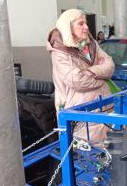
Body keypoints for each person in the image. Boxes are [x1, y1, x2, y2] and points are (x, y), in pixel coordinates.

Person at [46, 9, 115, 146]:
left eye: (86, 23)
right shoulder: (59, 52)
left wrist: (92, 71)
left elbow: (110, 65)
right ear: (68, 27)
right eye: (81, 24)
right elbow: (77, 81)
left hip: (104, 108)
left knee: (108, 154)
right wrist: (102, 75)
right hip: (79, 115)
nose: (86, 27)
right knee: (84, 158)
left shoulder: (91, 43)